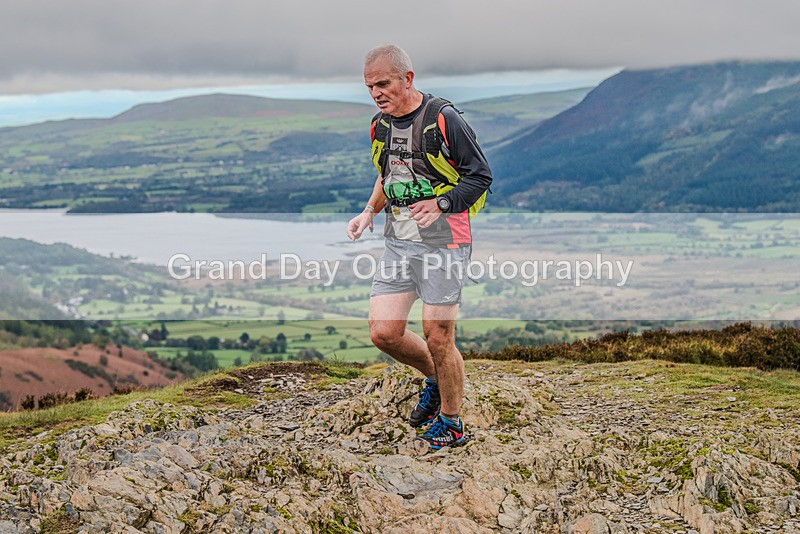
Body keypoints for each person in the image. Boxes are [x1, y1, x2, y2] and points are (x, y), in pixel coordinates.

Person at [347, 44, 493, 450]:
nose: (376, 92)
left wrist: (443, 203)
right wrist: (369, 212)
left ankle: (452, 421)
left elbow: (480, 176)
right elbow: (387, 175)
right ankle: (436, 379)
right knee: (384, 332)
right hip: (401, 241)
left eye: (383, 83)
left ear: (407, 79)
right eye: (369, 86)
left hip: (446, 240)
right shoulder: (379, 126)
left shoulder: (443, 119)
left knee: (438, 335)